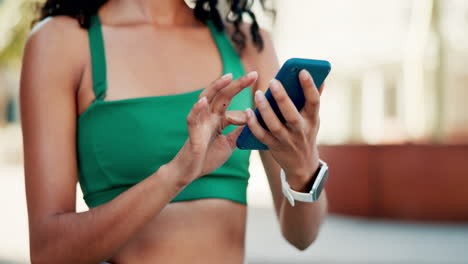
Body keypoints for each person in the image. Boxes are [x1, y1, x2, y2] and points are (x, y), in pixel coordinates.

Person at [20, 0, 327, 263]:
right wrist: (177, 173)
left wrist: (304, 169)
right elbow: (49, 251)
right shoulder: (59, 42)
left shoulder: (247, 42)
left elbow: (302, 236)